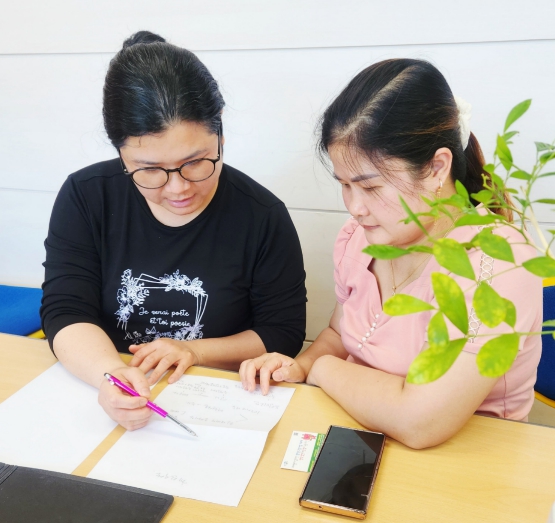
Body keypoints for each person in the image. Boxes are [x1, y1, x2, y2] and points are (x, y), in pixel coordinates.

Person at [239, 59, 542, 449]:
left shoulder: (498, 268)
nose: (355, 207)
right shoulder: (360, 238)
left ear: (437, 168)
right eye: (345, 185)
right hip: (362, 437)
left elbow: (421, 423)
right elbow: (339, 334)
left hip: (465, 464)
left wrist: (323, 369)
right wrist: (299, 366)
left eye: (370, 187)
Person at [40, 31, 306, 431]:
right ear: (121, 155)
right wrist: (110, 375)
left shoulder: (262, 215)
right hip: (102, 389)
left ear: (220, 134)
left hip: (214, 404)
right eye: (149, 170)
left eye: (196, 162)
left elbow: (282, 332)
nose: (178, 188)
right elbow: (65, 311)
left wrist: (195, 351)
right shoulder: (86, 196)